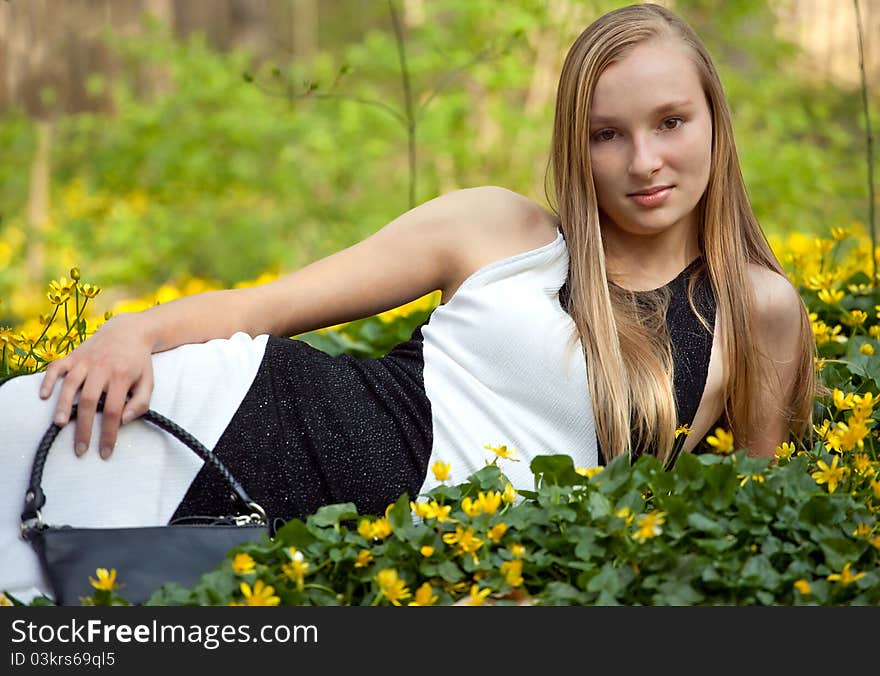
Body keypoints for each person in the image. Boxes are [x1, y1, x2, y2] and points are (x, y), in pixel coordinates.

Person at [0, 2, 816, 602]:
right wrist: (132, 329)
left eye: (671, 122)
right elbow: (270, 306)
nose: (644, 161)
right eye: (608, 134)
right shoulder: (502, 228)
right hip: (206, 418)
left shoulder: (754, 310)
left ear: (716, 120)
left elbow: (747, 527)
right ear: (578, 144)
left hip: (336, 557)